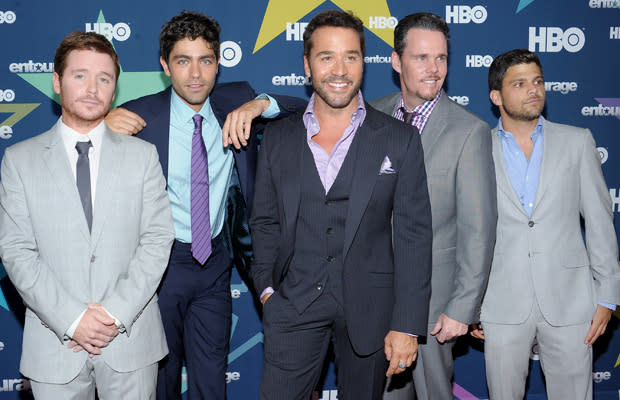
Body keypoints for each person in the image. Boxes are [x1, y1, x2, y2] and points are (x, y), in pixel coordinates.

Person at [104, 11, 303, 400]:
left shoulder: (236, 99)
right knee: (160, 382)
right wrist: (100, 125)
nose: (195, 73)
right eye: (183, 61)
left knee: (212, 381)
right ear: (165, 66)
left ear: (218, 62)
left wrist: (259, 104)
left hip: (214, 265)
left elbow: (305, 108)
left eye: (205, 60)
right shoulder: (141, 115)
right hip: (157, 268)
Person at [250, 10, 433, 400]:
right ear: (307, 65)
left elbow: (414, 235)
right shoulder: (279, 137)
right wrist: (267, 290)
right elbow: (264, 221)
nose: (339, 69)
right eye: (326, 57)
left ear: (364, 63)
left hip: (371, 311)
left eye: (351, 56)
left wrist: (406, 324)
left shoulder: (399, 138)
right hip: (293, 304)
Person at [0, 31, 174, 399]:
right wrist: (73, 320)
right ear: (56, 82)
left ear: (114, 89)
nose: (92, 88)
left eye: (104, 78)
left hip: (131, 338)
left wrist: (113, 314)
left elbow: (157, 239)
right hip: (53, 344)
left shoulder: (142, 156)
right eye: (80, 75)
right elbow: (16, 251)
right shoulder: (19, 160)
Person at [470, 48, 620, 400]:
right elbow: (467, 232)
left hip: (571, 303)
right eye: (519, 83)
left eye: (537, 81)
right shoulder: (475, 148)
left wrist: (608, 296)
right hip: (500, 303)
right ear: (496, 96)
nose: (533, 90)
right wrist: (469, 303)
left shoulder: (577, 141)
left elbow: (600, 221)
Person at [370, 13, 497, 400]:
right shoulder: (370, 115)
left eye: (441, 58)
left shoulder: (468, 130)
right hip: (372, 301)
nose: (434, 69)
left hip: (433, 309)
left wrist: (462, 308)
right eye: (422, 58)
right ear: (396, 61)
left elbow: (479, 231)